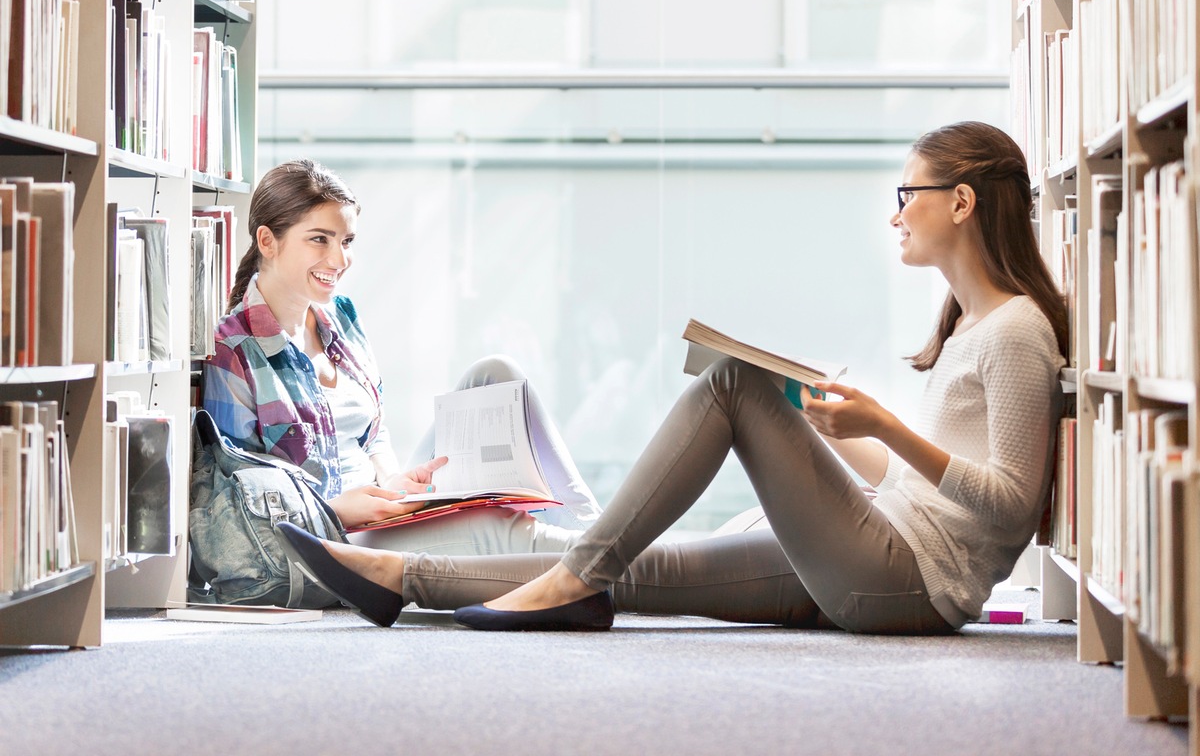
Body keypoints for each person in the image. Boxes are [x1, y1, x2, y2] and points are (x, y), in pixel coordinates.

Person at [274, 121, 1069, 634]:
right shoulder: (968, 327)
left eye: (909, 195)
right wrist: (844, 428)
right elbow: (919, 482)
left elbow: (1008, 507)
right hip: (879, 541)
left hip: (908, 581)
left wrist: (885, 425)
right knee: (642, 567)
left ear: (961, 202)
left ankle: (571, 581)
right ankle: (395, 576)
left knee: (734, 387)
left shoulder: (1018, 331)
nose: (895, 214)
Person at [202, 159, 602, 561]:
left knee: (498, 375)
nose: (339, 261)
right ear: (268, 241)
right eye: (320, 239)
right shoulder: (233, 349)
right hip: (328, 538)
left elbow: (374, 434)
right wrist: (339, 508)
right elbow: (243, 500)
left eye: (346, 241)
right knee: (493, 529)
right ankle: (609, 560)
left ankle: (597, 537)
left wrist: (395, 481)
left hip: (381, 510)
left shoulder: (342, 317)